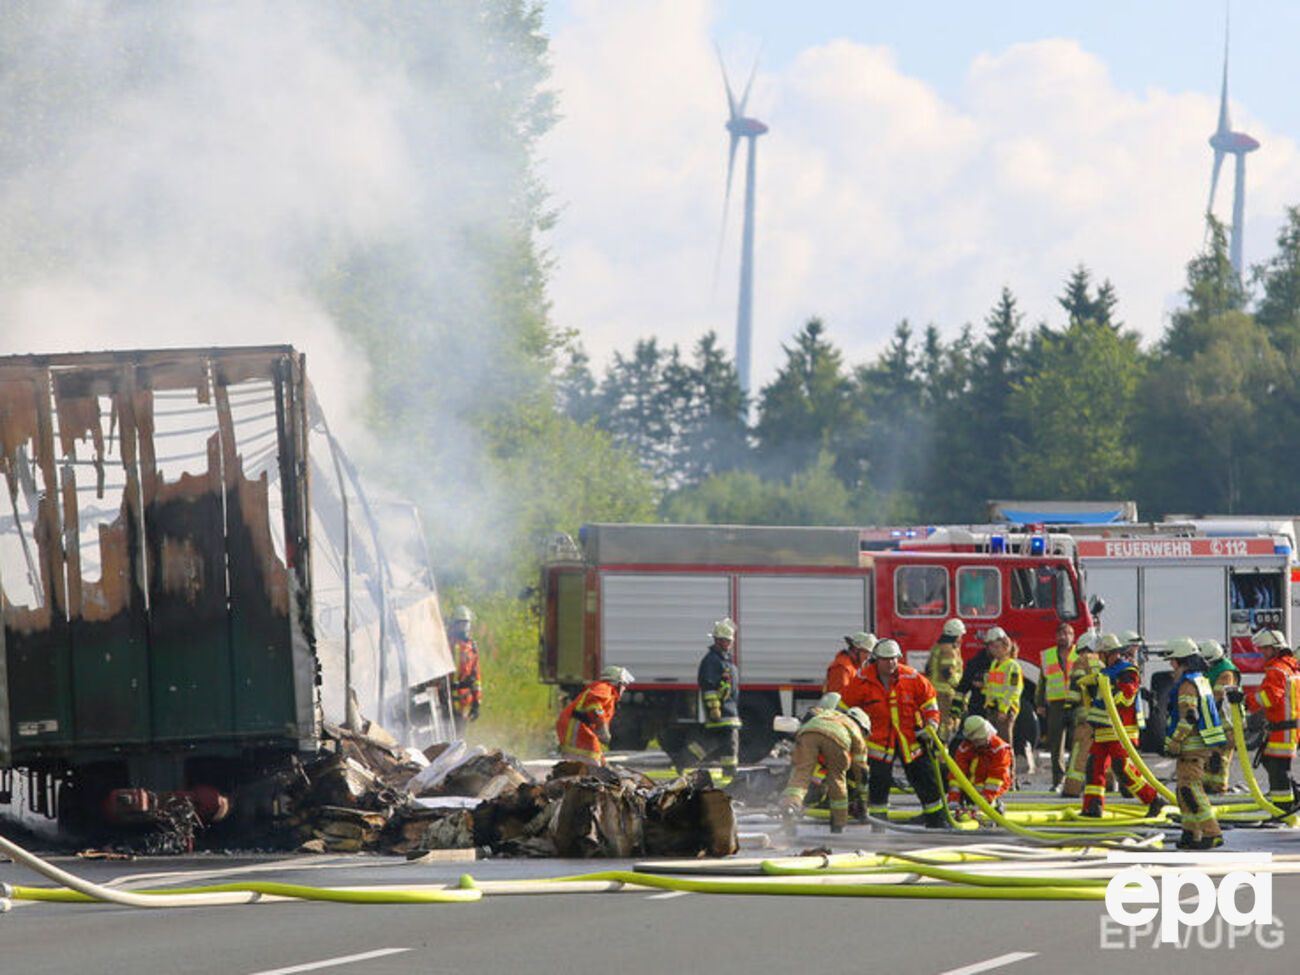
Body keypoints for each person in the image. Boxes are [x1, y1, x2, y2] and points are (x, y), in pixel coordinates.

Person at [857, 639, 946, 828]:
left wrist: (931, 724)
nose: (890, 663)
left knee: (925, 779)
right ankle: (879, 826)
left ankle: (936, 821)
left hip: (911, 741)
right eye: (885, 659)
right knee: (879, 784)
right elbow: (847, 708)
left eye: (894, 659)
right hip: (878, 743)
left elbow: (930, 703)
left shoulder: (912, 678)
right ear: (876, 660)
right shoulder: (862, 680)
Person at [1076, 633, 1163, 819]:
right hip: (1102, 730)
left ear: (1110, 653)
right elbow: (1098, 702)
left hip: (1121, 730)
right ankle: (1093, 806)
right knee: (1094, 767)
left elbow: (1126, 696)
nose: (1098, 658)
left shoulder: (1127, 671)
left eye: (1101, 654)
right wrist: (1090, 688)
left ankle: (1153, 800)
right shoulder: (1104, 673)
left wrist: (1110, 688)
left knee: (1122, 769)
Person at [1163, 638, 1227, 850]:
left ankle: (1212, 833)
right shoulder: (1200, 680)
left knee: (1191, 790)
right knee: (1183, 791)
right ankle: (1190, 832)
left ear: (1182, 662)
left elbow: (1189, 717)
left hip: (1191, 746)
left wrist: (1174, 741)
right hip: (1198, 745)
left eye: (1173, 662)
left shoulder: (1188, 685)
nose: (1171, 667)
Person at [780, 703, 872, 833]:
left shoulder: (831, 714)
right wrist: (862, 800)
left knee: (800, 776)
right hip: (837, 739)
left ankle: (791, 807)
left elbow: (812, 713)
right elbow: (861, 771)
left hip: (807, 733)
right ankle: (838, 825)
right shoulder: (855, 729)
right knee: (837, 779)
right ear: (862, 727)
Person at [681, 618, 742, 781]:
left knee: (711, 742)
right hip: (722, 712)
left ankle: (682, 761)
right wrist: (714, 708)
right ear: (717, 640)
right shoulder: (712, 661)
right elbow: (708, 687)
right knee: (727, 743)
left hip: (728, 710)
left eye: (730, 641)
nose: (729, 644)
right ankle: (729, 776)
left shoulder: (723, 660)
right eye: (726, 641)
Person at [1248, 629, 1300, 806]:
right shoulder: (1289, 669)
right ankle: (1289, 798)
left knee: (1278, 768)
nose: (1262, 653)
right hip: (1286, 728)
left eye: (1265, 649)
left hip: (1283, 730)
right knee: (1271, 762)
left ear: (1275, 648)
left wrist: (1247, 701)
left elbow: (1269, 697)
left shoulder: (1277, 670)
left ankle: (1283, 807)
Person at [555, 666, 634, 765]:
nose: (624, 688)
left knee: (594, 758)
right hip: (576, 726)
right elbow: (594, 705)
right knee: (588, 759)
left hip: (578, 725)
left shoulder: (606, 691)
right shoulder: (604, 688)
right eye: (624, 685)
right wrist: (602, 727)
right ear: (617, 683)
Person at [1036, 622, 1078, 788]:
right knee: (1056, 744)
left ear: (1073, 636)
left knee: (1077, 743)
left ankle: (1074, 780)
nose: (1063, 637)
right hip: (1056, 704)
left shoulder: (1079, 655)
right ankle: (1058, 780)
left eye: (1067, 634)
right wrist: (1040, 703)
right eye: (1060, 634)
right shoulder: (1048, 656)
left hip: (1076, 703)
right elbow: (1042, 682)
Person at [1061, 629, 1100, 797]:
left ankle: (1072, 788)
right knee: (1101, 752)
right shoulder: (1101, 662)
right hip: (1102, 716)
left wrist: (1069, 708)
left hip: (1084, 717)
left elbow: (1076, 689)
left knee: (1079, 753)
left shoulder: (1080, 662)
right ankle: (1109, 785)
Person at [947, 715, 1013, 814]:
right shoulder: (965, 748)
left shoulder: (1000, 749)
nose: (978, 742)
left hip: (991, 789)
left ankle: (995, 805)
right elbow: (957, 775)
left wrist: (985, 801)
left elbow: (996, 779)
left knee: (989, 800)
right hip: (971, 788)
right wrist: (953, 800)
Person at [1199, 639, 1239, 794]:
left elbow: (1217, 697)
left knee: (1220, 759)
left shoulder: (1226, 673)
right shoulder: (1215, 669)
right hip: (1216, 722)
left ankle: (1219, 788)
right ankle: (1209, 786)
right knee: (1211, 756)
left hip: (1227, 723)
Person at [982, 626, 1023, 756]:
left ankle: (1009, 774)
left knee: (1005, 745)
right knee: (993, 744)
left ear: (1006, 647)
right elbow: (993, 687)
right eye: (991, 647)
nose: (993, 650)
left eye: (997, 647)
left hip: (1004, 711)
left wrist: (1003, 709)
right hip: (993, 709)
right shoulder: (994, 664)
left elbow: (1013, 690)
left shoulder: (1013, 666)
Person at [926, 618, 967, 740]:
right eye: (960, 635)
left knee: (938, 719)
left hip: (935, 690)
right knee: (946, 721)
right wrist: (960, 686)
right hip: (945, 692)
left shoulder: (938, 647)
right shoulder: (949, 650)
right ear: (955, 635)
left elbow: (928, 668)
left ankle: (937, 746)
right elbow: (947, 671)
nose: (961, 638)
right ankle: (942, 749)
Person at [447, 605, 482, 733]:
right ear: (454, 624)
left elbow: (476, 677)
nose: (463, 628)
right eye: (460, 624)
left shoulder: (471, 647)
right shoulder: (446, 643)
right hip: (446, 699)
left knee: (460, 734)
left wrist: (477, 702)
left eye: (466, 624)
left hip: (464, 700)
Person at [825, 631, 877, 699]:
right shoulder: (842, 668)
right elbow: (839, 699)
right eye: (866, 652)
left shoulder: (852, 666)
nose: (868, 657)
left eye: (870, 654)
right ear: (855, 650)